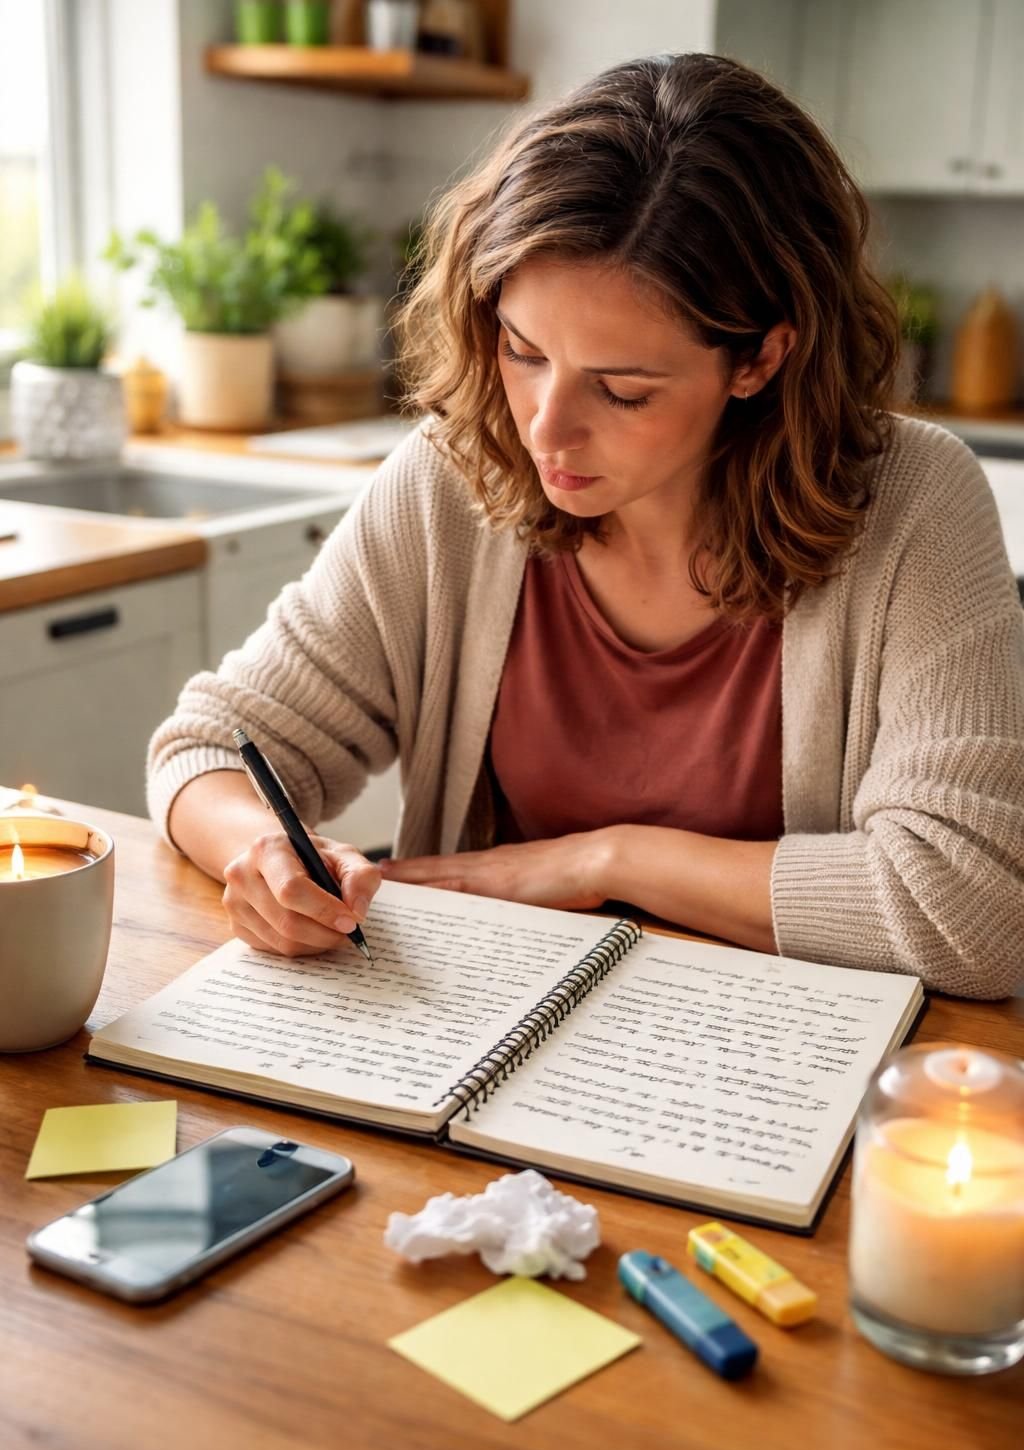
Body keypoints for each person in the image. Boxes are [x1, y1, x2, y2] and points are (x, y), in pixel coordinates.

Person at [148, 52, 1024, 1000]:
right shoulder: (455, 477)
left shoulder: (913, 505)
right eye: (523, 352)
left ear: (762, 359)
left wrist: (603, 862)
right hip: (478, 1033)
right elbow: (206, 748)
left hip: (778, 1068)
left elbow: (973, 905)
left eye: (622, 389)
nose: (545, 428)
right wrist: (263, 855)